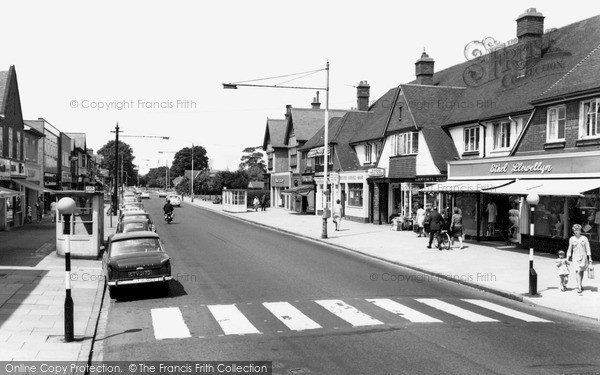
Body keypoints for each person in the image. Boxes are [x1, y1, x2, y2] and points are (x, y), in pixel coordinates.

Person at [566, 224, 593, 294]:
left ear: (580, 230)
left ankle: (580, 284)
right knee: (577, 271)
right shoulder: (571, 239)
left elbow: (588, 248)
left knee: (581, 271)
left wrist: (590, 257)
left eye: (577, 230)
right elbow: (569, 249)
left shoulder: (584, 238)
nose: (576, 231)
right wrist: (567, 258)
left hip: (583, 257)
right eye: (575, 230)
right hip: (575, 257)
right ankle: (579, 287)